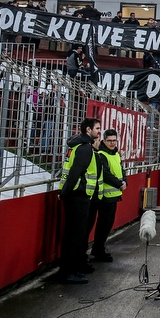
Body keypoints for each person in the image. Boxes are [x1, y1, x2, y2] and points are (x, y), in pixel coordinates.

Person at [58, 117, 102, 284]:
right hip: (79, 197)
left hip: (75, 196)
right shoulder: (84, 148)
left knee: (72, 235)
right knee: (75, 237)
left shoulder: (76, 146)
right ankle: (70, 271)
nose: (99, 131)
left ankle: (68, 269)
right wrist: (65, 193)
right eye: (97, 128)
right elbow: (75, 173)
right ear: (88, 130)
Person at [87, 129, 127, 262]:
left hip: (114, 194)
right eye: (109, 141)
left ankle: (99, 248)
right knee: (103, 224)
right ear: (104, 141)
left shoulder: (115, 154)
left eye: (114, 140)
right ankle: (98, 250)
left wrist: (125, 181)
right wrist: (119, 183)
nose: (112, 143)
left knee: (108, 224)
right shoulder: (101, 154)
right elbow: (106, 174)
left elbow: (121, 169)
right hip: (104, 196)